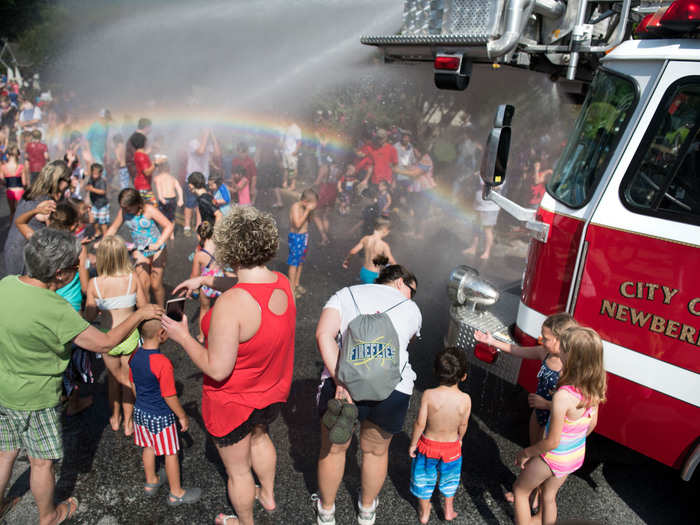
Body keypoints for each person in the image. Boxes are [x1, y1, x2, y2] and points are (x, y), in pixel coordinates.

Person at [0, 228, 162, 525]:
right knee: (41, 462)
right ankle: (49, 515)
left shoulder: (6, 285)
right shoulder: (56, 308)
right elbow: (103, 343)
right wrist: (139, 316)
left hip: (4, 390)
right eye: (75, 267)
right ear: (60, 274)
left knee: (5, 454)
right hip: (37, 396)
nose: (78, 271)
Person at [164, 206, 296, 525]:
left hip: (234, 402)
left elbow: (217, 369)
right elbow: (250, 282)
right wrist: (206, 279)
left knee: (238, 471)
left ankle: (245, 522)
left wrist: (182, 336)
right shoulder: (282, 283)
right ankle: (268, 495)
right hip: (271, 393)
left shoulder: (231, 304)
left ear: (229, 249)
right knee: (262, 438)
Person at [314, 264, 421, 525]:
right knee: (375, 452)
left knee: (334, 449)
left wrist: (342, 381)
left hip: (343, 388)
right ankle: (366, 510)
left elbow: (323, 335)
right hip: (392, 389)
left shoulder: (344, 294)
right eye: (412, 290)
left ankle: (326, 511)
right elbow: (406, 344)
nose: (412, 296)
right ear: (399, 282)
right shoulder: (411, 309)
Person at [513, 326, 606, 525]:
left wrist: (527, 453)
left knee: (520, 491)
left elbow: (552, 441)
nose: (559, 351)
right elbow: (592, 424)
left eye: (563, 348)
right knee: (549, 496)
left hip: (552, 457)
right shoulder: (594, 387)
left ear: (572, 357)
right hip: (574, 455)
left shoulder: (563, 395)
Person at [129, 318, 202, 506]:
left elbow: (133, 384)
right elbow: (169, 395)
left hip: (140, 412)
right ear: (162, 334)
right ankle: (176, 492)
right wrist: (182, 415)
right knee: (171, 453)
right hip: (161, 415)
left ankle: (151, 481)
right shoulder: (162, 363)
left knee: (148, 447)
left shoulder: (134, 356)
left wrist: (143, 402)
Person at [84, 236, 149, 436]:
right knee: (128, 377)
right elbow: (144, 308)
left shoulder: (94, 284)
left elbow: (90, 315)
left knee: (113, 378)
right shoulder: (132, 279)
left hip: (107, 337)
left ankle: (115, 417)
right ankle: (129, 422)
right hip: (130, 336)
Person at [409, 347, 471, 523]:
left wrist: (413, 443)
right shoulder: (465, 399)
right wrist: (460, 439)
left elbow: (420, 423)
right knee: (449, 480)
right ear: (463, 376)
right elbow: (463, 424)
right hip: (452, 447)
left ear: (436, 372)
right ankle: (448, 510)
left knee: (424, 480)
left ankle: (425, 512)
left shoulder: (429, 395)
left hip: (428, 446)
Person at [106, 188, 173, 306]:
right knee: (143, 285)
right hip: (142, 250)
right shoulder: (123, 212)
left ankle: (161, 309)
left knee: (155, 285)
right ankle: (147, 314)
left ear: (137, 203)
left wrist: (158, 243)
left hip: (157, 249)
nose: (125, 210)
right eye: (123, 207)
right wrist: (103, 242)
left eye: (127, 207)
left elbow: (168, 225)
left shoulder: (149, 210)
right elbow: (114, 228)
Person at [3, 160, 71, 275]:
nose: (69, 184)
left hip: (13, 246)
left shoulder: (32, 193)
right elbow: (54, 233)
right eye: (68, 180)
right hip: (25, 253)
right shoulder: (45, 202)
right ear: (58, 180)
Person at [190, 221, 223, 343]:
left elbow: (195, 274)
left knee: (204, 309)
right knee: (218, 310)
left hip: (206, 286)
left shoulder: (199, 255)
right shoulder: (221, 249)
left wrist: (193, 289)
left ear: (200, 236)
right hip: (219, 282)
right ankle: (217, 335)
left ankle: (202, 335)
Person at [342, 216, 396, 284]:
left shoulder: (366, 239)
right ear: (385, 230)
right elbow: (391, 261)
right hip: (373, 275)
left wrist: (347, 260)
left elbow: (352, 251)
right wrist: (398, 272)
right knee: (372, 293)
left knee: (364, 289)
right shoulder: (383, 245)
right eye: (388, 232)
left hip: (364, 272)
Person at [288, 188, 317, 297]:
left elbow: (309, 221)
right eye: (313, 204)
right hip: (296, 237)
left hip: (304, 237)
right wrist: (308, 210)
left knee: (300, 262)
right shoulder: (295, 207)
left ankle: (296, 283)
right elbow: (297, 224)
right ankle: (291, 288)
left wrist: (310, 211)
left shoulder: (305, 208)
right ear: (305, 201)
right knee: (294, 263)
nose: (314, 206)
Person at [463, 180, 501, 260]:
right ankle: (473, 248)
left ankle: (487, 252)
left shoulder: (498, 174)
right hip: (478, 205)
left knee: (488, 230)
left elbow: (497, 186)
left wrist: (486, 183)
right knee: (476, 228)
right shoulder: (483, 171)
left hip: (490, 207)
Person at [153, 157, 183, 237]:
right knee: (171, 217)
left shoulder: (158, 178)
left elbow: (159, 189)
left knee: (162, 217)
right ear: (169, 169)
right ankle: (171, 234)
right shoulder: (172, 178)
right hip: (173, 199)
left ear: (159, 169)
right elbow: (179, 188)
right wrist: (181, 199)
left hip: (164, 199)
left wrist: (161, 198)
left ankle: (165, 232)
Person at [1, 145, 26, 220]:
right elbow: (24, 183)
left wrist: (7, 184)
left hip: (9, 190)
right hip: (19, 190)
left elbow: (1, 181)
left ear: (7, 155)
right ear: (18, 156)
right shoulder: (21, 167)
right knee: (20, 212)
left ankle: (11, 228)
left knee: (12, 211)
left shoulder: (3, 167)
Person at [85, 162, 110, 237]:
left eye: (97, 173)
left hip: (102, 204)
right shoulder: (91, 179)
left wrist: (92, 189)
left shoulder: (101, 181)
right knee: (94, 220)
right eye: (94, 173)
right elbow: (87, 187)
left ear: (100, 174)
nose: (95, 175)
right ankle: (97, 231)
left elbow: (103, 192)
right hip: (94, 203)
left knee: (103, 221)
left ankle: (105, 234)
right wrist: (87, 188)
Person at [132, 132, 156, 206]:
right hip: (144, 186)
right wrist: (156, 163)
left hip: (141, 185)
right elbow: (147, 172)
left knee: (143, 206)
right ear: (144, 142)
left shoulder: (137, 153)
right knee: (153, 205)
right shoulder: (142, 156)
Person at [126, 118, 152, 185]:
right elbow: (135, 157)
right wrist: (147, 153)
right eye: (150, 127)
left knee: (143, 193)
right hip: (137, 173)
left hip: (140, 173)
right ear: (146, 127)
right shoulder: (136, 138)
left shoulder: (139, 136)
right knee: (144, 194)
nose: (151, 130)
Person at [282, 116, 302, 191]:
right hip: (285, 152)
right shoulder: (287, 127)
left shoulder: (296, 128)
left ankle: (292, 184)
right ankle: (285, 182)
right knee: (286, 168)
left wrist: (296, 150)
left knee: (292, 169)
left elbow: (299, 141)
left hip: (292, 152)